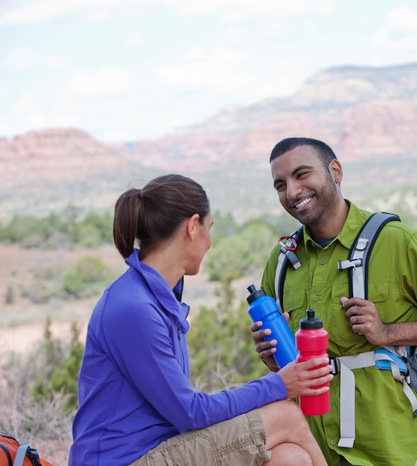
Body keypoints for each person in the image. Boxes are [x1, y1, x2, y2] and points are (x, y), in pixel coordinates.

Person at [69, 174, 331, 466]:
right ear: (193, 227)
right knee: (286, 415)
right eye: (209, 228)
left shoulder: (156, 297)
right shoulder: (134, 307)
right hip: (126, 460)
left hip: (160, 448)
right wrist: (278, 385)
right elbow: (189, 412)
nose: (209, 242)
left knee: (289, 458)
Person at [251, 138, 417, 466]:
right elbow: (285, 362)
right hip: (310, 447)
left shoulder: (398, 241)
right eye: (280, 185)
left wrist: (387, 332)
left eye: (302, 175)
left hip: (382, 446)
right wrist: (271, 355)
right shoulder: (283, 259)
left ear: (336, 171)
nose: (292, 192)